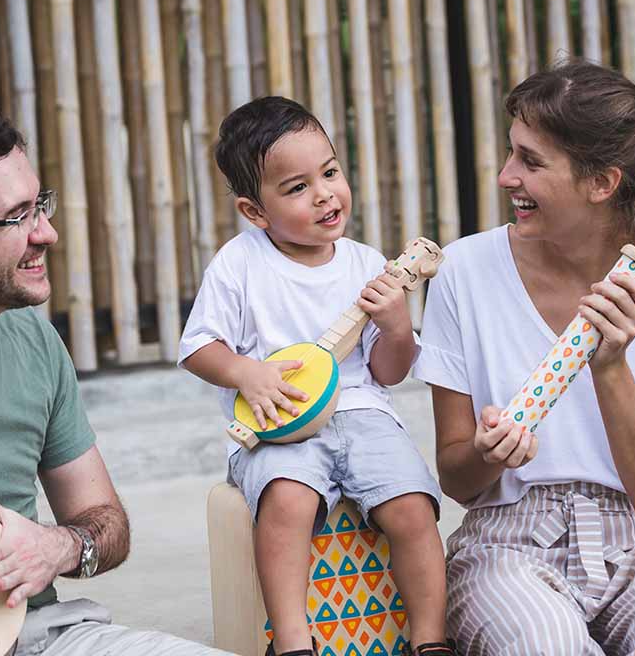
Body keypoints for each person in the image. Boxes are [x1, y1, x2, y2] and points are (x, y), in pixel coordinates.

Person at [0, 103, 233, 656]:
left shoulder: (35, 344)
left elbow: (104, 524)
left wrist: (55, 548)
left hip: (34, 637)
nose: (48, 233)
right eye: (18, 217)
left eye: (40, 206)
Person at [179, 96, 454, 656]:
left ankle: (431, 639)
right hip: (278, 423)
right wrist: (244, 372)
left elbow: (389, 371)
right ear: (255, 211)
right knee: (288, 501)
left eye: (329, 172)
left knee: (412, 503)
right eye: (297, 187)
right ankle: (294, 642)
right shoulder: (240, 262)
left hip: (364, 413)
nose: (325, 193)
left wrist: (397, 326)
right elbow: (198, 347)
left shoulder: (364, 262)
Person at [413, 59, 635, 655]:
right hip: (509, 543)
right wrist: (487, 455)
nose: (505, 177)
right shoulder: (465, 273)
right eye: (510, 153)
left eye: (530, 161)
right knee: (543, 644)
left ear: (601, 183)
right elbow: (457, 480)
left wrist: (609, 365)